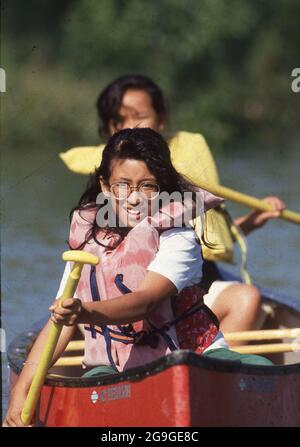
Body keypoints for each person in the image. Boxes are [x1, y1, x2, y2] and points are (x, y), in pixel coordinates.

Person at [4, 128, 272, 427]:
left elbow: (145, 302)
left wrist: (83, 312)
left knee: (261, 368)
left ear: (164, 190)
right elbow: (60, 325)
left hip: (194, 358)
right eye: (123, 185)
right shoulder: (88, 241)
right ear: (105, 186)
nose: (133, 198)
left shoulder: (178, 237)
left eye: (147, 186)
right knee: (99, 385)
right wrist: (21, 389)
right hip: (111, 364)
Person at [60, 75, 285, 343]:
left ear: (161, 119)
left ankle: (217, 371)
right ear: (105, 184)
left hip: (178, 289)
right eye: (118, 121)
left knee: (247, 298)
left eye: (138, 115)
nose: (129, 125)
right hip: (112, 299)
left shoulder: (174, 196)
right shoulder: (107, 176)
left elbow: (198, 236)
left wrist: (249, 223)